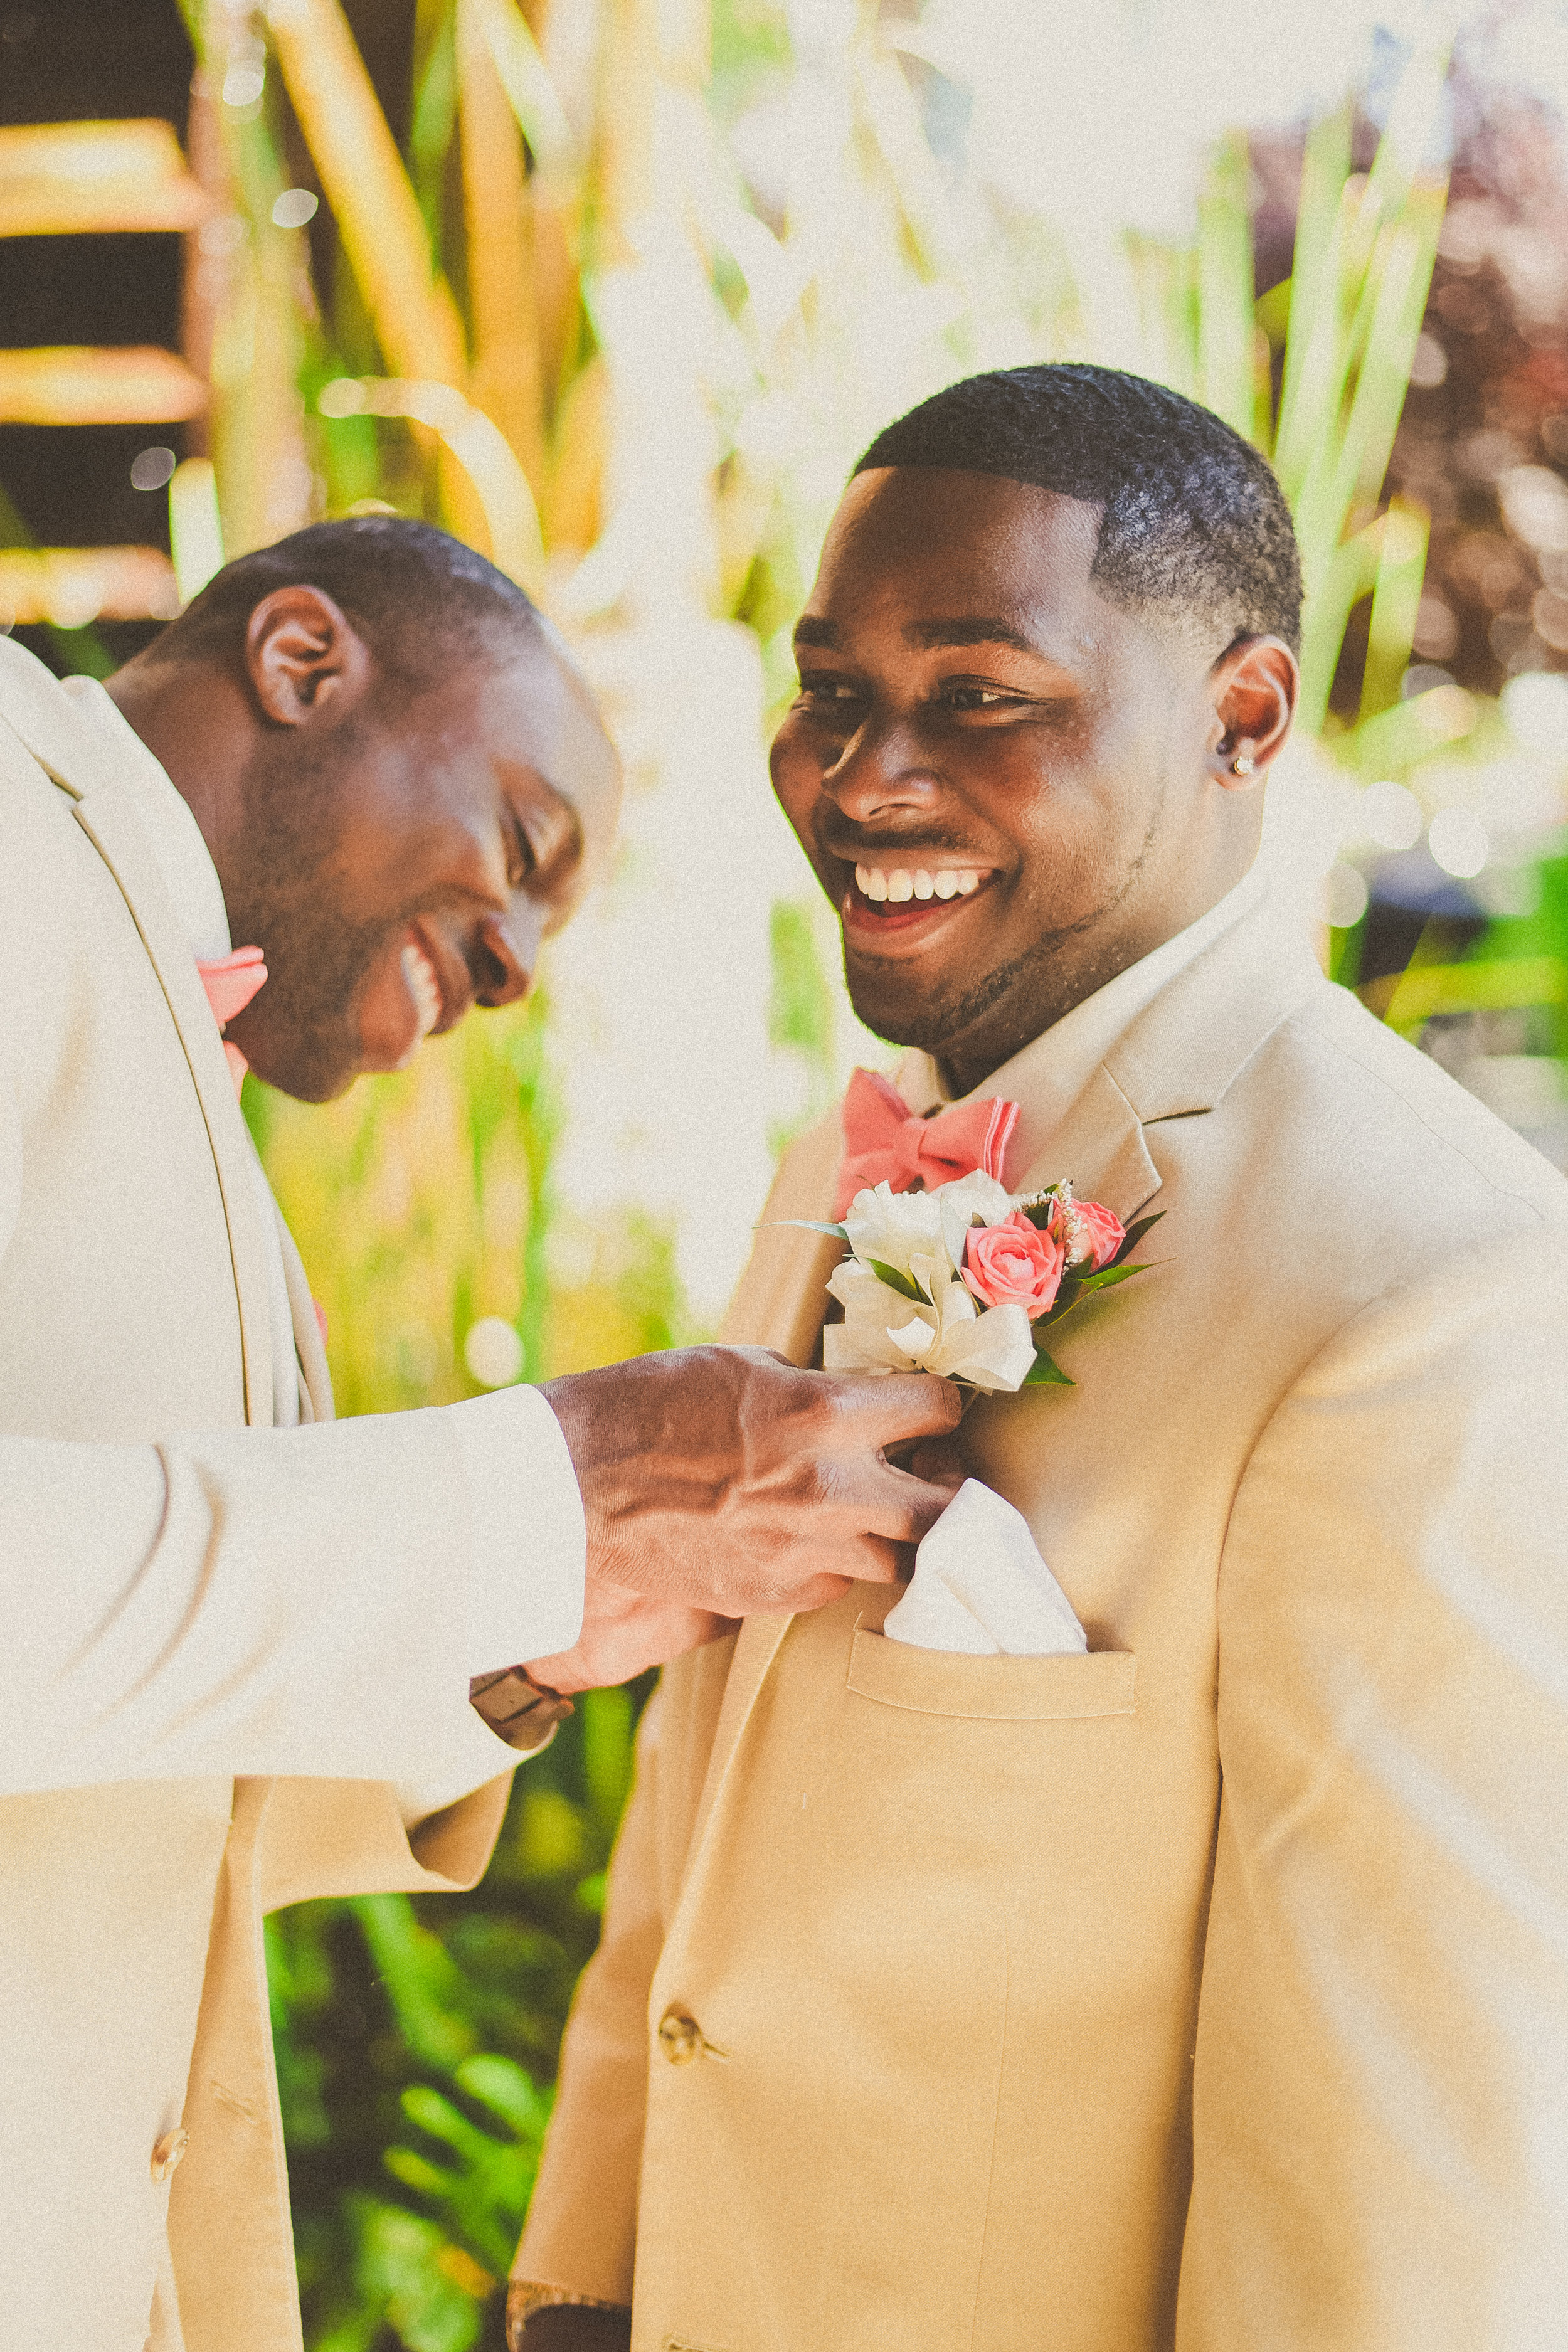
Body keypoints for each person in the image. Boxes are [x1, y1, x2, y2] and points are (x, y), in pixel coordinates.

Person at [511, 366, 1568, 2351]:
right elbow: (701, 1852)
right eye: (830, 691)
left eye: (976, 695)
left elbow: (1405, 2193)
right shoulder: (857, 1155)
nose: (860, 776)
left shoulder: (1430, 1295)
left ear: (1242, 717)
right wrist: (579, 2289)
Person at [0, 517, 959, 2352]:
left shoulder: (214, 1151)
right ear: (302, 662)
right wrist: (529, 1497)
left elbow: (122, 1771)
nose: (518, 966)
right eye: (523, 846)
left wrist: (525, 1625)